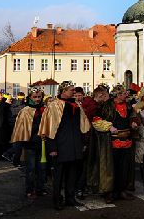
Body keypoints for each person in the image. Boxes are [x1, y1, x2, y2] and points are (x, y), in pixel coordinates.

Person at [38, 81, 90, 210]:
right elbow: (49, 128)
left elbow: (82, 125)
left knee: (72, 174)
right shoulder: (54, 105)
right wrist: (52, 148)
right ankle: (57, 200)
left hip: (74, 145)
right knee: (59, 176)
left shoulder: (76, 105)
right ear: (63, 91)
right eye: (71, 90)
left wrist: (82, 143)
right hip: (60, 147)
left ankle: (70, 198)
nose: (74, 92)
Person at [94, 84, 136, 202]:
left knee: (124, 167)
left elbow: (133, 116)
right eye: (123, 94)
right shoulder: (107, 106)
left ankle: (122, 190)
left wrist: (133, 122)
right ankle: (109, 192)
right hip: (111, 141)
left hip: (127, 140)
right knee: (111, 167)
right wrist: (109, 126)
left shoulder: (128, 105)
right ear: (117, 95)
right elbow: (96, 119)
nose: (125, 95)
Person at [11, 87, 47, 198]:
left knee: (42, 168)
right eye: (35, 97)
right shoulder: (25, 111)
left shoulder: (45, 110)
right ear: (30, 97)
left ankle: (40, 188)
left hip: (43, 144)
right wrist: (38, 131)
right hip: (30, 144)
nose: (37, 99)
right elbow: (23, 129)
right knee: (31, 169)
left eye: (39, 97)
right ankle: (30, 189)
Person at [83, 86, 114, 197]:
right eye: (106, 95)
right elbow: (95, 121)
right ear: (100, 95)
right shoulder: (93, 107)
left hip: (89, 136)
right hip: (91, 137)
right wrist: (109, 126)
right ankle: (89, 186)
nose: (107, 97)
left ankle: (88, 186)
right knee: (92, 161)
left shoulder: (89, 103)